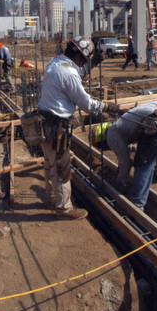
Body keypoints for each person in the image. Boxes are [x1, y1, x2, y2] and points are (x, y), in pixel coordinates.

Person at [37, 36, 117, 220]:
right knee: (62, 167)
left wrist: (92, 64)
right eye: (85, 62)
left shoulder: (54, 63)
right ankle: (64, 209)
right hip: (57, 125)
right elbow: (86, 104)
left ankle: (51, 198)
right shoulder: (69, 73)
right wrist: (106, 106)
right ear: (80, 58)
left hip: (43, 121)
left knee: (49, 163)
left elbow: (72, 78)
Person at [105, 101, 157, 211]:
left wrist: (120, 182)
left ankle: (137, 202)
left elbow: (125, 164)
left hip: (152, 121)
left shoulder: (112, 137)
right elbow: (130, 144)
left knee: (143, 160)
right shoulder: (120, 126)